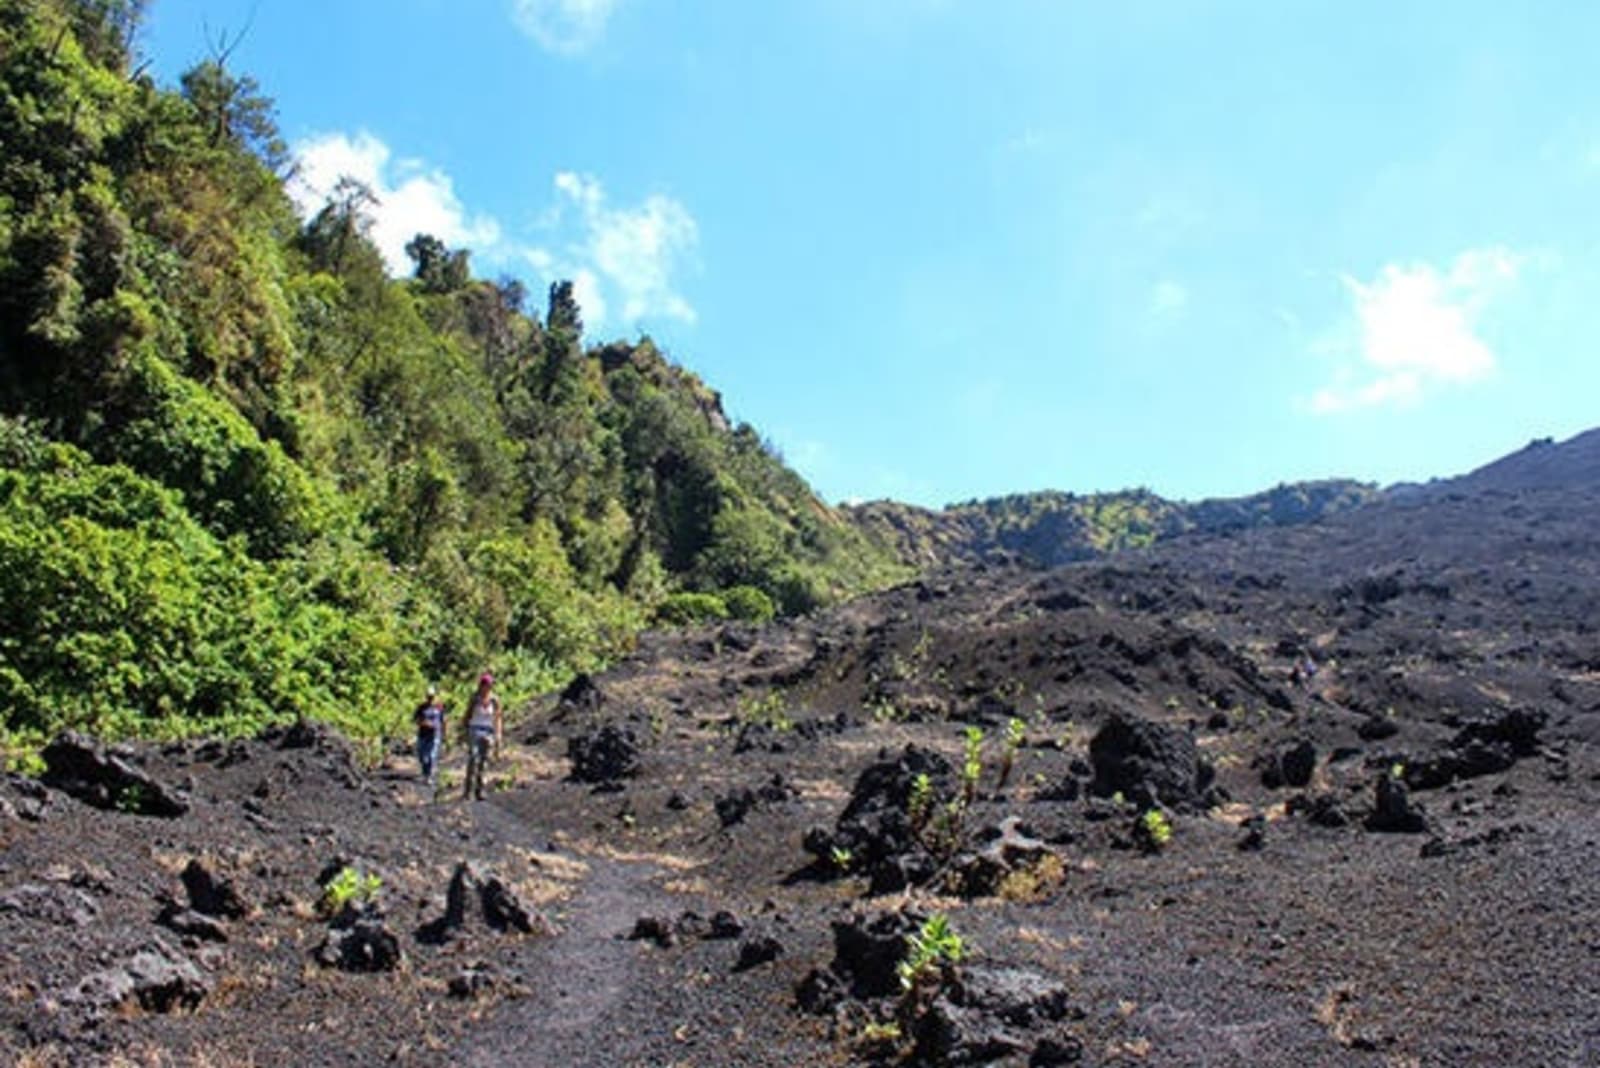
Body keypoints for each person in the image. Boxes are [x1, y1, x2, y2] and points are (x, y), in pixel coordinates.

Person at [461, 672, 503, 801]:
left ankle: (480, 790)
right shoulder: (475, 699)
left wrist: (498, 734)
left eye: (489, 685)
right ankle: (468, 790)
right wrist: (464, 732)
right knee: (473, 758)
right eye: (485, 684)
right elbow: (467, 715)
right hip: (474, 729)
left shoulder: (494, 700)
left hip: (488, 731)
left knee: (484, 762)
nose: (487, 687)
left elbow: (498, 718)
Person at [414, 684, 446, 785]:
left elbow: (443, 720)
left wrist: (444, 733)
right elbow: (416, 720)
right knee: (422, 756)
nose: (430, 698)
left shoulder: (439, 707)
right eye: (429, 696)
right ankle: (425, 773)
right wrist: (424, 723)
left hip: (435, 734)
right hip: (423, 734)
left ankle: (429, 776)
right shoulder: (421, 707)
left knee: (432, 756)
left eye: (432, 696)